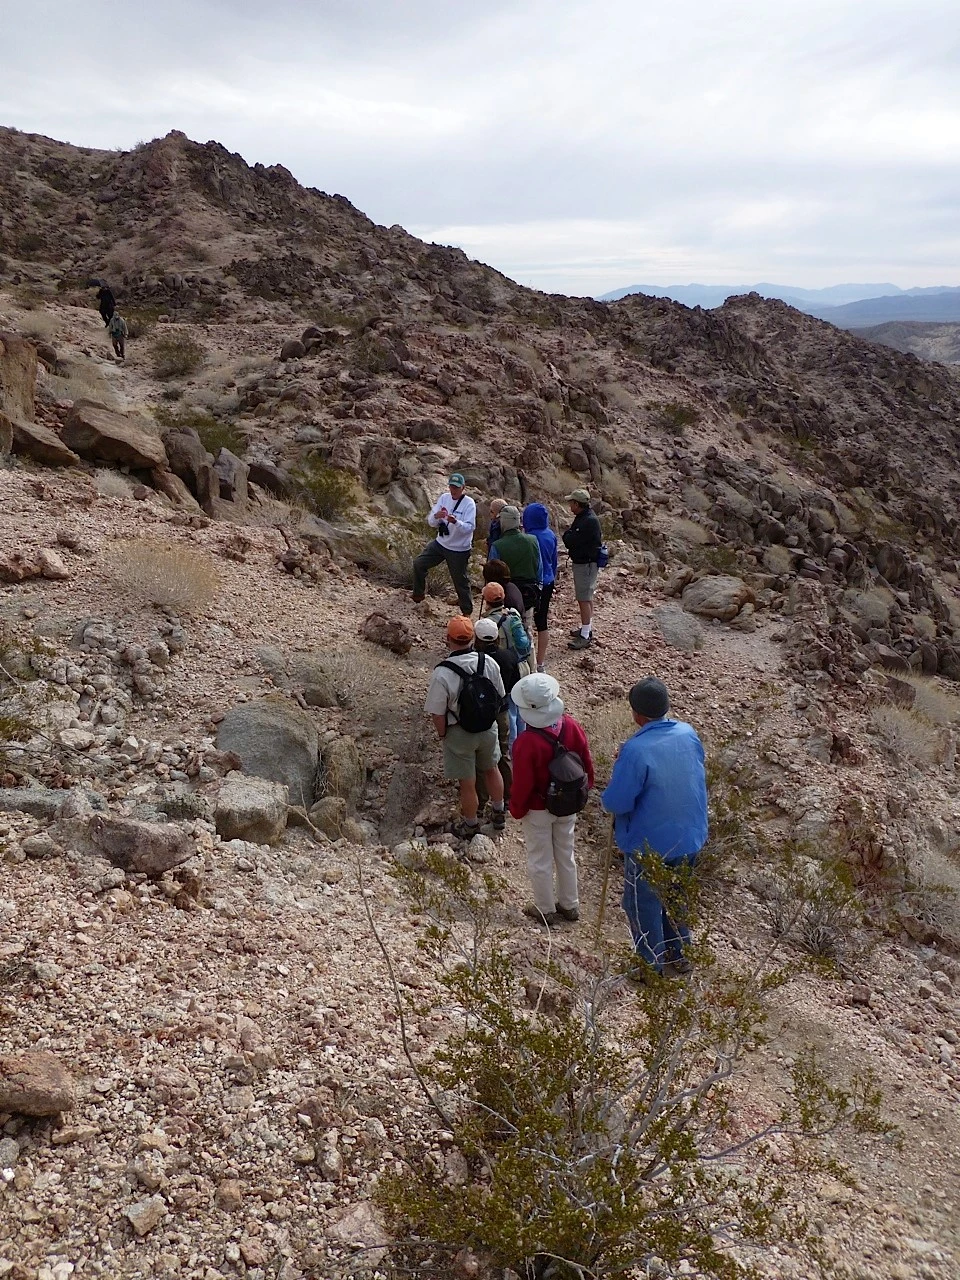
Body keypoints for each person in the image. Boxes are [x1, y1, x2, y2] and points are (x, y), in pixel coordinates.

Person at [601, 678, 708, 977]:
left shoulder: (635, 750)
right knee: (676, 895)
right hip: (689, 836)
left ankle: (650, 965)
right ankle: (679, 952)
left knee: (641, 902)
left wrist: (606, 797)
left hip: (649, 844)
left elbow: (617, 802)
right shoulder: (688, 734)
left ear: (637, 714)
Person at [509, 673, 595, 927]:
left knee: (540, 858)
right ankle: (570, 904)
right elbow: (585, 762)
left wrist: (516, 809)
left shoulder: (526, 742)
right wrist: (584, 788)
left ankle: (544, 908)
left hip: (538, 808)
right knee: (566, 854)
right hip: (568, 803)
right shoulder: (571, 726)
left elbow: (522, 783)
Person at [424, 615, 507, 841]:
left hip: (459, 732)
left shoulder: (442, 672)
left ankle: (471, 825)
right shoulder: (488, 663)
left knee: (467, 783)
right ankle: (499, 813)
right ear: (473, 638)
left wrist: (443, 734)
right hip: (488, 729)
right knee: (492, 769)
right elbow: (499, 696)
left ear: (448, 639)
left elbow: (437, 711)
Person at [412, 473, 477, 615]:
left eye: (456, 487)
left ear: (463, 488)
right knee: (419, 563)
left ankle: (467, 611)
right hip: (440, 543)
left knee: (460, 581)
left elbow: (470, 527)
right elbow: (430, 521)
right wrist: (436, 517)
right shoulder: (444, 498)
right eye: (451, 487)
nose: (453, 490)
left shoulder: (469, 504)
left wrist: (456, 522)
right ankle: (418, 596)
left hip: (459, 549)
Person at [474, 616, 519, 810]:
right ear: (496, 638)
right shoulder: (509, 656)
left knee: (481, 759)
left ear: (477, 640)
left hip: (482, 712)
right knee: (504, 754)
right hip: (503, 710)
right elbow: (516, 684)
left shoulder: (476, 660)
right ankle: (508, 797)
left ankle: (481, 800)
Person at [480, 581, 532, 743]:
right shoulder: (513, 614)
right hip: (522, 666)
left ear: (487, 601)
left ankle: (512, 749)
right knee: (521, 709)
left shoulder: (488, 623)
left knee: (509, 711)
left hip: (505, 670)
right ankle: (522, 745)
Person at [561, 488, 603, 650]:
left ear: (577, 504)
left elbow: (570, 539)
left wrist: (568, 535)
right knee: (587, 597)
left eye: (571, 502)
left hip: (585, 564)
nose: (570, 505)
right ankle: (587, 628)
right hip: (586, 563)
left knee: (583, 599)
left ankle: (585, 635)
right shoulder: (584, 517)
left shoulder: (587, 521)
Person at [489, 505, 541, 627]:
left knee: (505, 628)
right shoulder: (533, 540)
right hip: (529, 591)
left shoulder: (497, 545)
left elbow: (492, 573)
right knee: (526, 627)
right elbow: (539, 568)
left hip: (506, 593)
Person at [522, 502, 559, 672]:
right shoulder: (550, 535)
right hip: (548, 582)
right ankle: (541, 663)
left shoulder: (529, 538)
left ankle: (526, 660)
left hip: (532, 584)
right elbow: (554, 561)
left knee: (526, 622)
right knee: (542, 622)